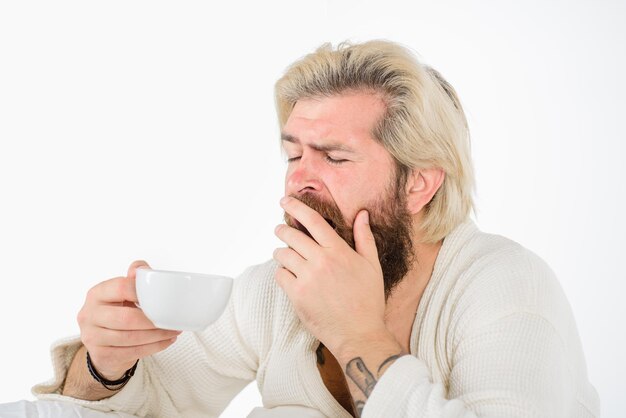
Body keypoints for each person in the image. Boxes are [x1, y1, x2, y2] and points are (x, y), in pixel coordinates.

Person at [32, 40, 600, 418]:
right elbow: (152, 402)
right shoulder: (271, 295)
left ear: (418, 183)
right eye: (292, 155)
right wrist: (107, 364)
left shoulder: (506, 287)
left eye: (334, 157)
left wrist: (357, 335)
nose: (298, 182)